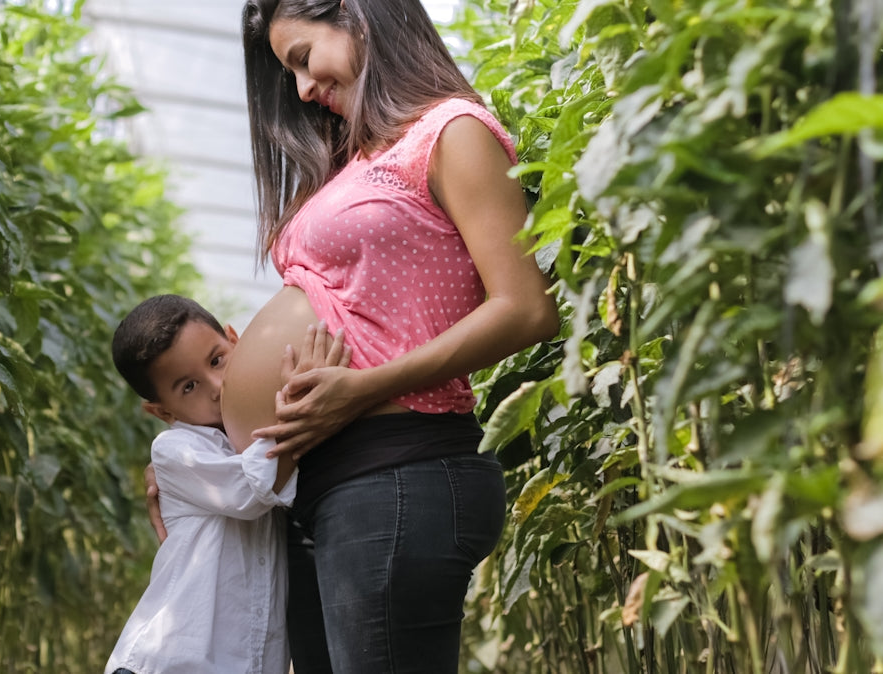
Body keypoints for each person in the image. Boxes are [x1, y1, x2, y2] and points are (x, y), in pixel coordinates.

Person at [148, 0, 561, 671]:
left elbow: (526, 309)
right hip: (326, 486)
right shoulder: (359, 159)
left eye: (304, 60)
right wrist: (203, 460)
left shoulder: (451, 131)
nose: (304, 89)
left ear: (356, 14)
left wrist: (361, 389)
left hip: (397, 469)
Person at [105, 294, 348, 674]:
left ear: (237, 341)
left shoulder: (247, 440)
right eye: (189, 387)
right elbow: (253, 488)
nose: (216, 386)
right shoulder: (175, 450)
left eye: (217, 359)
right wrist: (303, 397)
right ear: (163, 412)